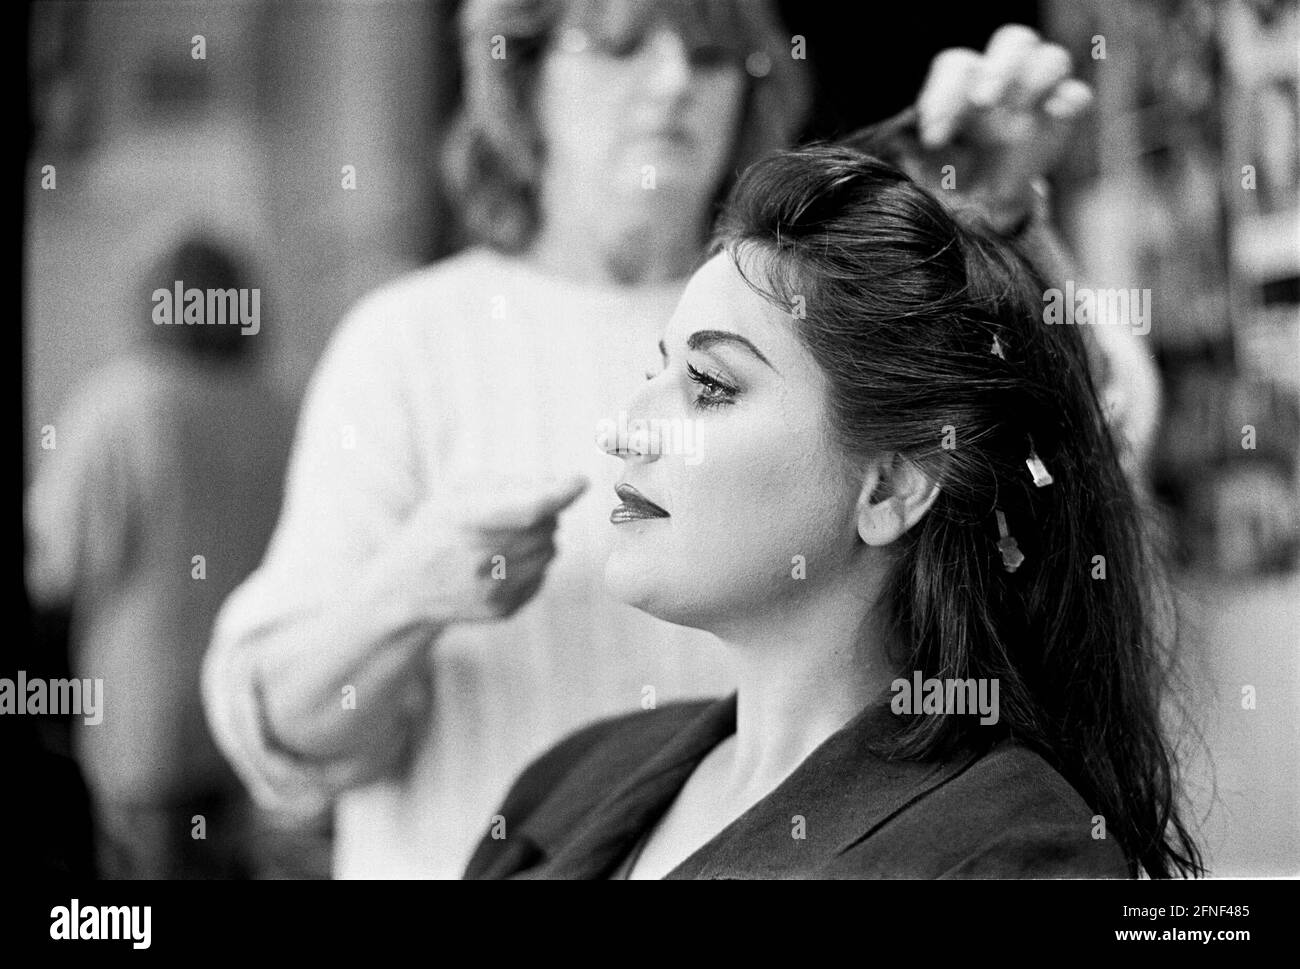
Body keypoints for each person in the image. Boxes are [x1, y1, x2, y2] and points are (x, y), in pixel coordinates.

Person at [202, 0, 1113, 879]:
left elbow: (1066, 459)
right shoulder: (407, 342)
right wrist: (406, 595)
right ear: (523, 82)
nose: (676, 81)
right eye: (621, 42)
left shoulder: (809, 318)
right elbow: (277, 729)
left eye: (713, 55)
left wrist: (1002, 237)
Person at [464, 142, 1205, 880]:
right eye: (655, 370)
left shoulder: (1007, 850)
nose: (624, 427)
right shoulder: (569, 781)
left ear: (889, 487)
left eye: (711, 385)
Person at [26, 231, 295, 878]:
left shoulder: (120, 403)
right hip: (252, 713)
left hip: (146, 725)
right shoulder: (280, 407)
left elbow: (55, 563)